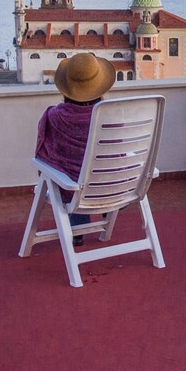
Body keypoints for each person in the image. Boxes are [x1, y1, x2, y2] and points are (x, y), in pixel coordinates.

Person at [35, 52, 116, 245]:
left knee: (72, 173)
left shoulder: (54, 117)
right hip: (114, 188)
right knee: (86, 172)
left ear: (66, 89)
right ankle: (99, 211)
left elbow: (44, 154)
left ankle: (77, 231)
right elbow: (115, 152)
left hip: (75, 190)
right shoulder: (110, 116)